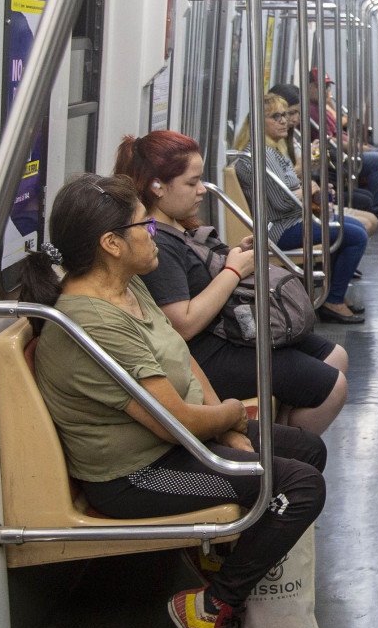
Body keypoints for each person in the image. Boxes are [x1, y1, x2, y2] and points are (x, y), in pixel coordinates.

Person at [20, 173, 327, 628]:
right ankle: (211, 607)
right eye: (144, 224)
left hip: (180, 443)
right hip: (137, 475)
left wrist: (228, 431)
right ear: (111, 243)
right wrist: (228, 418)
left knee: (305, 448)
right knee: (298, 485)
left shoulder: (128, 285)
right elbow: (173, 423)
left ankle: (223, 563)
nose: (155, 232)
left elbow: (182, 359)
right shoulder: (93, 325)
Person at [114, 130, 349, 433]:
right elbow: (182, 324)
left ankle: (281, 433)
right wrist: (233, 272)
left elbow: (200, 275)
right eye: (191, 182)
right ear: (157, 186)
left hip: (226, 329)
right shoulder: (157, 243)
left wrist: (234, 256)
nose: (202, 190)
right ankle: (289, 452)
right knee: (333, 388)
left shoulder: (175, 224)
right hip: (206, 351)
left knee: (336, 356)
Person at [245, 93, 369, 324]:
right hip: (280, 228)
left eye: (284, 115)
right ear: (260, 122)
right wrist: (307, 190)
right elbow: (282, 202)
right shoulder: (262, 155)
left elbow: (289, 188)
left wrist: (309, 188)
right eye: (276, 116)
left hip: (292, 220)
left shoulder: (273, 151)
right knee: (356, 235)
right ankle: (333, 299)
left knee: (353, 228)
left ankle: (333, 293)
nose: (284, 121)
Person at [283, 79, 378, 228]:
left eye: (327, 87)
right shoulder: (312, 112)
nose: (325, 90)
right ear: (310, 87)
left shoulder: (323, 106)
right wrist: (356, 147)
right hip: (336, 155)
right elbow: (330, 140)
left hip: (324, 171)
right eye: (321, 86)